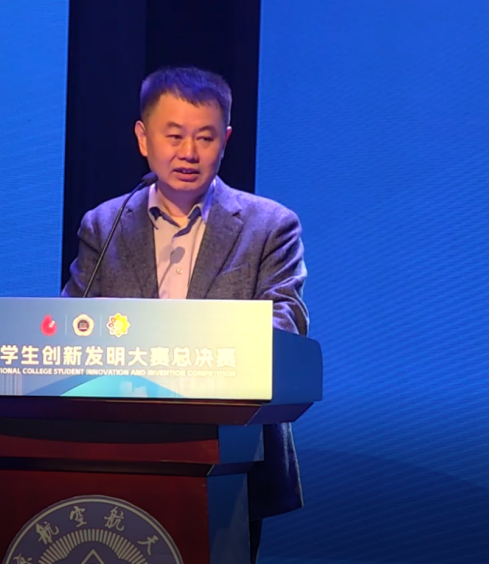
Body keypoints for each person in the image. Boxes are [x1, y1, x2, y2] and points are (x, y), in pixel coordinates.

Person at [61, 66, 309, 563]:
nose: (188, 153)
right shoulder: (104, 224)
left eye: (205, 137)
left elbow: (287, 323)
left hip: (232, 455)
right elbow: (73, 329)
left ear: (226, 140)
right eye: (173, 136)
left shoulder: (270, 225)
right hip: (119, 451)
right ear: (143, 138)